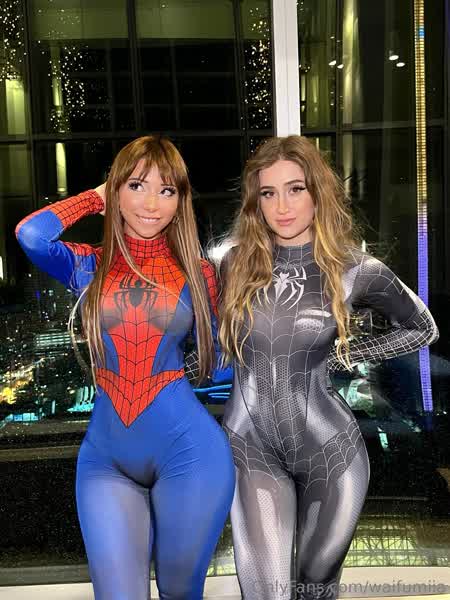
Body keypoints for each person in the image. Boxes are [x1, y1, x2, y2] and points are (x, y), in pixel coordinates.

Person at [218, 135, 439, 600]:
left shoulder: (355, 269)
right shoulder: (231, 264)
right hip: (250, 449)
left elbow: (423, 328)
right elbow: (192, 335)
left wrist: (351, 353)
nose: (282, 206)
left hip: (331, 451)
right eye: (268, 192)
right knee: (268, 593)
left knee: (316, 586)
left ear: (318, 192)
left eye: (295, 189)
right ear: (256, 201)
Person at [15, 136, 235, 600]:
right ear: (115, 190)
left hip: (190, 453)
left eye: (166, 190)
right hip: (106, 460)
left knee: (180, 591)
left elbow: (220, 360)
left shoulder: (200, 273)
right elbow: (31, 235)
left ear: (180, 201)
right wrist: (96, 197)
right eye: (136, 185)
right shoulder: (89, 267)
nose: (151, 204)